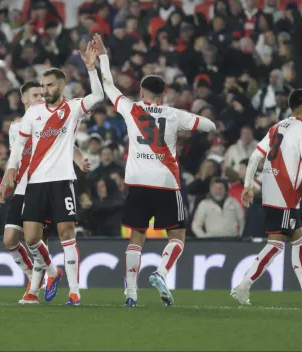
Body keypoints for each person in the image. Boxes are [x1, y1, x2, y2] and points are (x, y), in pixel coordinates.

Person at [93, 33, 216, 307]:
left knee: (136, 238)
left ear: (142, 93)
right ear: (164, 94)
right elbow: (210, 126)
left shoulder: (131, 108)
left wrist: (103, 56)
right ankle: (160, 272)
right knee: (178, 237)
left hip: (137, 183)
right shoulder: (173, 114)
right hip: (166, 182)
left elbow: (109, 86)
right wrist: (186, 131)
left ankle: (130, 294)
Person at [3, 41, 104, 306]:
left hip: (61, 181)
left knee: (66, 233)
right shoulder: (33, 113)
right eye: (42, 86)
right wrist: (11, 169)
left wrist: (92, 69)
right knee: (32, 238)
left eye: (49, 85)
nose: (44, 90)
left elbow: (98, 97)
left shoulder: (71, 109)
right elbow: (20, 145)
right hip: (35, 183)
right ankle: (52, 272)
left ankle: (74, 291)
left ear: (61, 86)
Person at [231, 88, 302, 306]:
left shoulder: (277, 127)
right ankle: (243, 286)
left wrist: (248, 185)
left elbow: (256, 156)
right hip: (285, 193)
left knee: (300, 241)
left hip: (271, 189)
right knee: (276, 244)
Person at [0, 81, 90, 304]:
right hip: (23, 186)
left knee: (39, 237)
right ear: (24, 100)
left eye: (42, 93)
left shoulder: (53, 117)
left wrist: (78, 159)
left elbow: (67, 145)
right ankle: (42, 275)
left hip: (45, 182)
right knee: (10, 239)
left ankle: (33, 290)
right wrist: (5, 181)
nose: (41, 97)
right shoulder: (16, 127)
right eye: (35, 94)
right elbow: (15, 156)